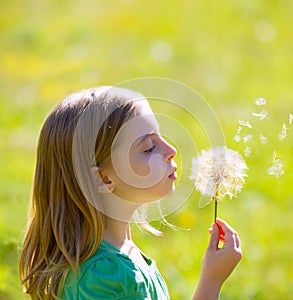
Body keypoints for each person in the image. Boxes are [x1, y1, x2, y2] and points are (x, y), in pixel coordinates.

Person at [19, 86, 242, 300]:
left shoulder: (113, 260)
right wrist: (211, 282)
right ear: (104, 179)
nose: (171, 150)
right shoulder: (109, 278)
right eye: (149, 148)